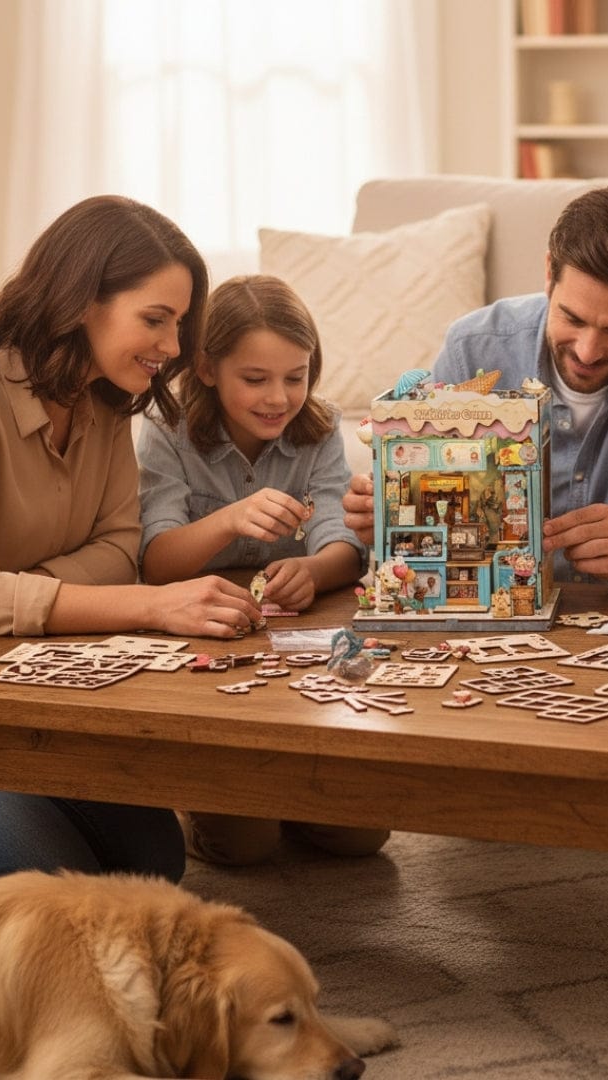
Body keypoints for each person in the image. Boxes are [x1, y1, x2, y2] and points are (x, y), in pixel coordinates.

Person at [0, 195, 263, 883]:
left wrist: (20, 587)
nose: (174, 347)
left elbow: (120, 548)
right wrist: (151, 606)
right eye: (155, 319)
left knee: (153, 861)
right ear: (78, 301)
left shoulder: (103, 405)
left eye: (180, 324)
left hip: (27, 687)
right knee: (35, 892)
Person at [343, 184, 608, 590]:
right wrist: (390, 517)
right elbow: (439, 508)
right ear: (550, 273)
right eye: (572, 318)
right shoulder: (473, 347)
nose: (588, 351)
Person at [137, 274, 386, 865]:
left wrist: (314, 569)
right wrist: (230, 519)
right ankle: (192, 798)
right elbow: (155, 562)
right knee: (242, 845)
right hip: (203, 646)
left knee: (361, 835)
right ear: (206, 369)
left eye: (295, 377)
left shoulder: (319, 426)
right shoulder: (165, 430)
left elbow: (342, 543)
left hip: (290, 654)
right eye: (255, 379)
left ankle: (292, 785)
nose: (278, 397)